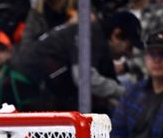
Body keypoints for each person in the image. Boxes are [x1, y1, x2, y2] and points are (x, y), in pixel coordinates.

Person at [11, 10, 143, 112]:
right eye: (129, 46)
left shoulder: (95, 37)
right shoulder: (91, 35)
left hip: (37, 86)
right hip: (28, 88)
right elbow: (84, 78)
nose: (129, 53)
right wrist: (126, 93)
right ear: (116, 34)